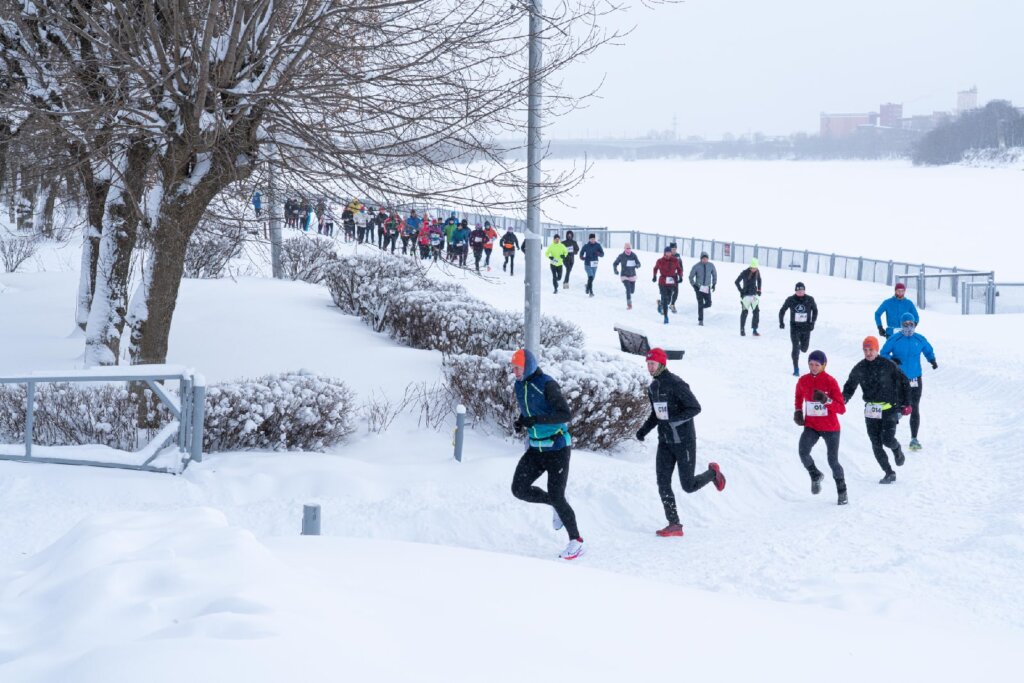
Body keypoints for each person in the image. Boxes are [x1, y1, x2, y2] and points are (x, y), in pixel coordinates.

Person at [635, 348, 725, 537]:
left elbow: (695, 407)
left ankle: (713, 473)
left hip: (684, 441)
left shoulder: (676, 384)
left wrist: (674, 420)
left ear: (661, 363)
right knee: (663, 483)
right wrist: (644, 430)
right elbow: (657, 414)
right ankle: (674, 524)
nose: (649, 367)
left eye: (652, 363)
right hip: (665, 442)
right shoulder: (653, 387)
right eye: (648, 364)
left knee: (688, 486)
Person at [509, 349, 585, 561]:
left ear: (528, 366)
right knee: (518, 489)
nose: (514, 371)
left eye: (517, 368)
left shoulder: (546, 384)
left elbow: (564, 414)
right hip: (536, 448)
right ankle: (554, 504)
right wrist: (521, 421)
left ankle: (576, 542)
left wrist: (536, 420)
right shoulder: (519, 384)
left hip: (557, 447)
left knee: (557, 494)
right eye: (513, 368)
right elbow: (528, 410)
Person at [842, 336, 912, 484]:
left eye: (871, 350)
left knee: (887, 440)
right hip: (871, 410)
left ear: (877, 349)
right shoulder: (859, 368)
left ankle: (897, 448)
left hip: (889, 409)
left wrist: (907, 403)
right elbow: (850, 386)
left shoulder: (888, 365)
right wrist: (844, 399)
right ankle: (889, 472)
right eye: (865, 350)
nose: (868, 353)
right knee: (875, 443)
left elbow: (904, 381)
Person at [793, 350, 848, 505]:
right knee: (803, 452)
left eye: (817, 365)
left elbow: (841, 409)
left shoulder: (830, 381)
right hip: (812, 426)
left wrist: (826, 400)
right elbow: (798, 395)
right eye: (811, 364)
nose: (814, 367)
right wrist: (798, 410)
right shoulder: (803, 380)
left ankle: (842, 491)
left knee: (832, 461)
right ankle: (815, 475)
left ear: (824, 365)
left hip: (831, 428)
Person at [880, 313, 937, 451]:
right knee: (898, 407)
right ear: (901, 325)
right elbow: (883, 353)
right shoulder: (895, 339)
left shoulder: (919, 339)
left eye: (911, 324)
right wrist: (892, 360)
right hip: (899, 379)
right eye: (905, 324)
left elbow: (928, 350)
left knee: (914, 407)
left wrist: (932, 360)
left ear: (914, 325)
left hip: (915, 379)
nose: (908, 327)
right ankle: (889, 435)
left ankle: (914, 439)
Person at [778, 282, 818, 376]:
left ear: (804, 290)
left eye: (802, 290)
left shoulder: (810, 299)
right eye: (798, 290)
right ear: (795, 291)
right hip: (795, 328)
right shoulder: (791, 299)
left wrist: (812, 322)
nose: (800, 292)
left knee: (804, 349)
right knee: (795, 348)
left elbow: (815, 311)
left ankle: (800, 348)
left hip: (806, 328)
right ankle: (796, 368)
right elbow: (782, 310)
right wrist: (781, 322)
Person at [652, 246, 683, 324]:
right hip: (662, 281)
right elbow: (655, 268)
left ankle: (660, 305)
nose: (668, 254)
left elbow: (679, 269)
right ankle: (666, 316)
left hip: (671, 282)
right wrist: (654, 276)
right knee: (665, 299)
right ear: (664, 253)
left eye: (669, 252)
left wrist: (680, 276)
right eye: (667, 252)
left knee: (668, 300)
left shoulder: (675, 260)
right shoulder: (660, 261)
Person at [735, 257, 762, 336]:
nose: (754, 269)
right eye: (753, 268)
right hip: (746, 296)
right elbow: (736, 282)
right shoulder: (744, 272)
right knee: (745, 313)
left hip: (754, 296)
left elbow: (759, 280)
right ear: (750, 266)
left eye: (755, 268)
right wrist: (741, 291)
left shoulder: (757, 272)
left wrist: (759, 290)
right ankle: (742, 330)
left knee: (756, 312)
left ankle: (754, 330)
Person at [688, 251, 716, 326]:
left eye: (706, 258)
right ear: (701, 259)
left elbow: (714, 275)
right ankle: (701, 320)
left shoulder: (711, 265)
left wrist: (714, 284)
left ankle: (701, 307)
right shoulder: (696, 266)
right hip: (699, 288)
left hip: (707, 288)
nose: (705, 260)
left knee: (709, 303)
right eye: (703, 258)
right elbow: (690, 277)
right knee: (700, 302)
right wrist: (694, 285)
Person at [612, 243, 640, 309]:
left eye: (630, 248)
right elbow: (615, 263)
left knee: (632, 291)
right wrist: (615, 270)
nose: (629, 250)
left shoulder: (633, 255)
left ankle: (628, 292)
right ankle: (629, 304)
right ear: (624, 248)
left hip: (632, 275)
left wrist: (637, 265)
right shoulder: (621, 256)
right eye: (627, 248)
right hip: (624, 275)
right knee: (628, 288)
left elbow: (638, 263)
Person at [579, 233, 605, 297]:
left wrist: (598, 253)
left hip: (594, 264)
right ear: (589, 239)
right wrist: (582, 257)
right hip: (587, 264)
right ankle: (591, 292)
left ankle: (587, 286)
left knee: (592, 278)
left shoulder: (598, 245)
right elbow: (581, 253)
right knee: (590, 277)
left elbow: (602, 254)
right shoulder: (586, 246)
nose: (593, 240)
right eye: (591, 239)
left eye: (594, 239)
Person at [667, 243, 683, 313]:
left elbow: (681, 266)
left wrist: (681, 276)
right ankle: (663, 303)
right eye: (673, 249)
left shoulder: (678, 256)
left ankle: (672, 304)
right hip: (668, 277)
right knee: (669, 292)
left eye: (675, 249)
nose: (674, 250)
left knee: (676, 292)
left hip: (675, 276)